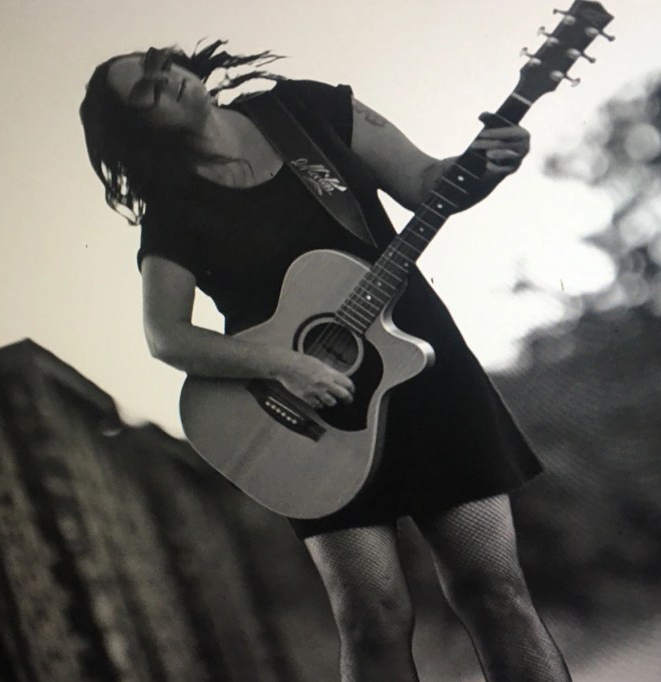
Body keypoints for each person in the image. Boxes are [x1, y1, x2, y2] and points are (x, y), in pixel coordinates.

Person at [80, 40, 569, 681]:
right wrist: (283, 365)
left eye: (160, 67)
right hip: (303, 418)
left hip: (421, 369)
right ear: (136, 130)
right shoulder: (173, 211)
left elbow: (426, 182)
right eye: (144, 93)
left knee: (494, 590)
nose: (165, 82)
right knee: (372, 616)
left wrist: (489, 165)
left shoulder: (305, 111)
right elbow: (166, 336)